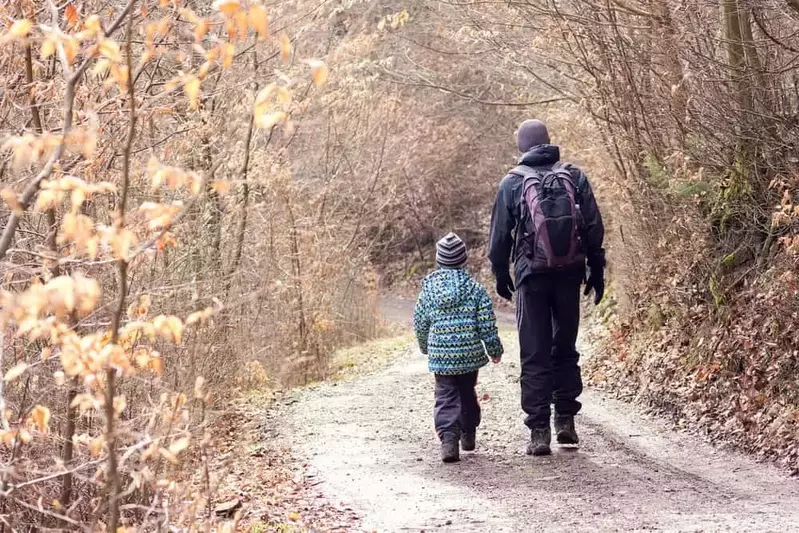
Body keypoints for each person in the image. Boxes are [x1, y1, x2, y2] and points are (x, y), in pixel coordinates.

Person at [488, 119, 605, 456]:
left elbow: (499, 238)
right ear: (548, 142)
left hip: (531, 277)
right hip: (569, 273)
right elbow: (594, 227)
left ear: (522, 146)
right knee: (564, 347)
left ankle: (539, 431)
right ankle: (565, 420)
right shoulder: (575, 176)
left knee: (534, 352)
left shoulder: (512, 182)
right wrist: (596, 270)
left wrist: (500, 273)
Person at [413, 233, 504, 463]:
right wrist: (494, 349)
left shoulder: (429, 291)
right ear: (463, 260)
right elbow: (487, 324)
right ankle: (469, 432)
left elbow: (420, 322)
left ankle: (449, 440)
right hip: (469, 355)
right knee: (466, 391)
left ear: (439, 260)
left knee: (445, 395)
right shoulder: (475, 289)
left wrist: (426, 347)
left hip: (441, 355)